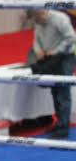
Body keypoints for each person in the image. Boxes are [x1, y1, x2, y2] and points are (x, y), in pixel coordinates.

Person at [29, 8, 76, 138]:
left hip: (66, 56)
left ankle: (63, 127)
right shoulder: (38, 21)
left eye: (36, 18)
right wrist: (37, 50)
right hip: (51, 58)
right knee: (55, 91)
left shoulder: (60, 19)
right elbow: (36, 39)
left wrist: (56, 50)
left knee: (63, 92)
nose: (35, 21)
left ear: (42, 12)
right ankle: (60, 123)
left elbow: (71, 38)